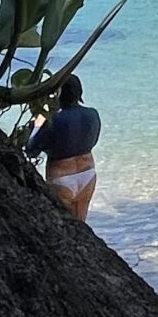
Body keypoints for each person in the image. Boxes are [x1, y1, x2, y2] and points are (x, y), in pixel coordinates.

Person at [22, 73, 102, 222]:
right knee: (81, 225)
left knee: (65, 225)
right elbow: (93, 141)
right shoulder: (93, 114)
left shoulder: (54, 120)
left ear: (57, 94)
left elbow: (31, 150)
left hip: (62, 177)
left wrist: (36, 125)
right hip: (88, 173)